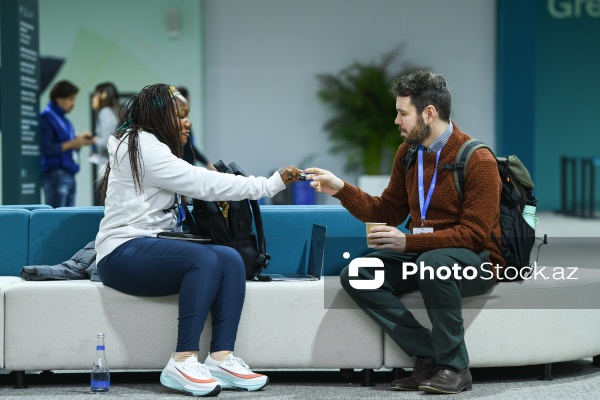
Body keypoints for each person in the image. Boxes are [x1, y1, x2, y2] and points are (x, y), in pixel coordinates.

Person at [95, 83, 303, 397]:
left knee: (230, 258)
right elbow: (201, 182)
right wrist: (269, 184)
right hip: (122, 253)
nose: (188, 122)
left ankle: (220, 358)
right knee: (203, 259)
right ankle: (182, 360)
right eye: (181, 115)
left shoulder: (149, 145)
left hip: (149, 247)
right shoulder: (140, 146)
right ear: (160, 116)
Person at [305, 70, 502, 394]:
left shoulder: (477, 158)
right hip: (424, 254)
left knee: (434, 264)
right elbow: (386, 210)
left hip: (475, 260)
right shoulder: (409, 154)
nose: (396, 120)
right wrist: (340, 188)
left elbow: (474, 234)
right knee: (358, 273)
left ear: (429, 113)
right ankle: (430, 357)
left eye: (402, 112)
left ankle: (455, 367)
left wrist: (408, 240)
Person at [40, 80, 95, 207]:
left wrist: (80, 140)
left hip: (69, 174)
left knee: (67, 219)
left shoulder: (64, 120)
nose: (73, 104)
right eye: (70, 99)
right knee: (56, 218)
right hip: (56, 175)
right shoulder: (46, 117)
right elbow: (47, 148)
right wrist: (73, 143)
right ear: (58, 99)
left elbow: (64, 140)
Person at [90, 82, 120, 204]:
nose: (93, 99)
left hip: (106, 168)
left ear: (104, 95)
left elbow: (109, 142)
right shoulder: (114, 111)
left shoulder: (105, 112)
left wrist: (93, 140)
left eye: (96, 95)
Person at [177, 86, 215, 170]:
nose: (189, 123)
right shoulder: (178, 124)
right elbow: (189, 147)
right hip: (183, 168)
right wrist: (207, 163)